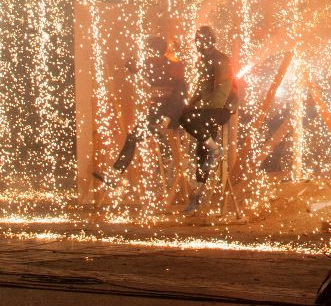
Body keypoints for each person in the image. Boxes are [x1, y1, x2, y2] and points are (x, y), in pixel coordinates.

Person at [98, 34, 187, 181]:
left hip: (173, 115)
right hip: (156, 113)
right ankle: (114, 175)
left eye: (150, 51)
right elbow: (130, 65)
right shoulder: (150, 65)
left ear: (157, 51)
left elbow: (179, 94)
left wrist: (168, 117)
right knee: (133, 137)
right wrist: (138, 56)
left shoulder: (173, 66)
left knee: (160, 139)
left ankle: (166, 172)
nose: (148, 55)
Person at [176, 25, 238, 213]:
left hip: (221, 110)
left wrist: (196, 109)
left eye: (201, 41)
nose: (198, 45)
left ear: (210, 41)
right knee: (201, 152)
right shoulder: (204, 60)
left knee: (187, 120)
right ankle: (197, 195)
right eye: (197, 41)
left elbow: (222, 91)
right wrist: (190, 104)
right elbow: (201, 87)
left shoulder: (220, 60)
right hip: (208, 110)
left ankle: (215, 148)